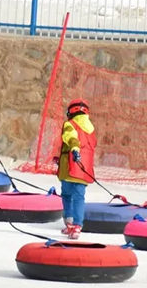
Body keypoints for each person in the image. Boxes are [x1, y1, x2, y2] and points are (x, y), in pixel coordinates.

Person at [57, 99, 97, 240]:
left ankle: (70, 222)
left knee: (67, 195)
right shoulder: (91, 128)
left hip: (70, 166)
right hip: (84, 168)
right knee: (79, 196)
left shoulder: (70, 124)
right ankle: (77, 225)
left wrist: (74, 149)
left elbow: (71, 137)